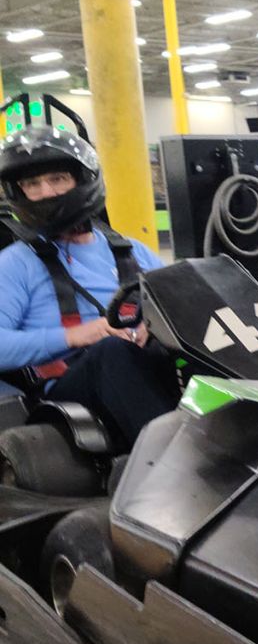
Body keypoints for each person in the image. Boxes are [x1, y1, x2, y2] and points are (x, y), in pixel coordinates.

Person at [0, 125, 179, 449]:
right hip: (68, 397)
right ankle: (180, 467)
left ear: (81, 179)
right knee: (111, 352)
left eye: (57, 179)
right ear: (19, 193)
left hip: (144, 368)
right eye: (32, 184)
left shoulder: (130, 251)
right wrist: (80, 334)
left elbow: (182, 303)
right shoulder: (15, 263)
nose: (47, 192)